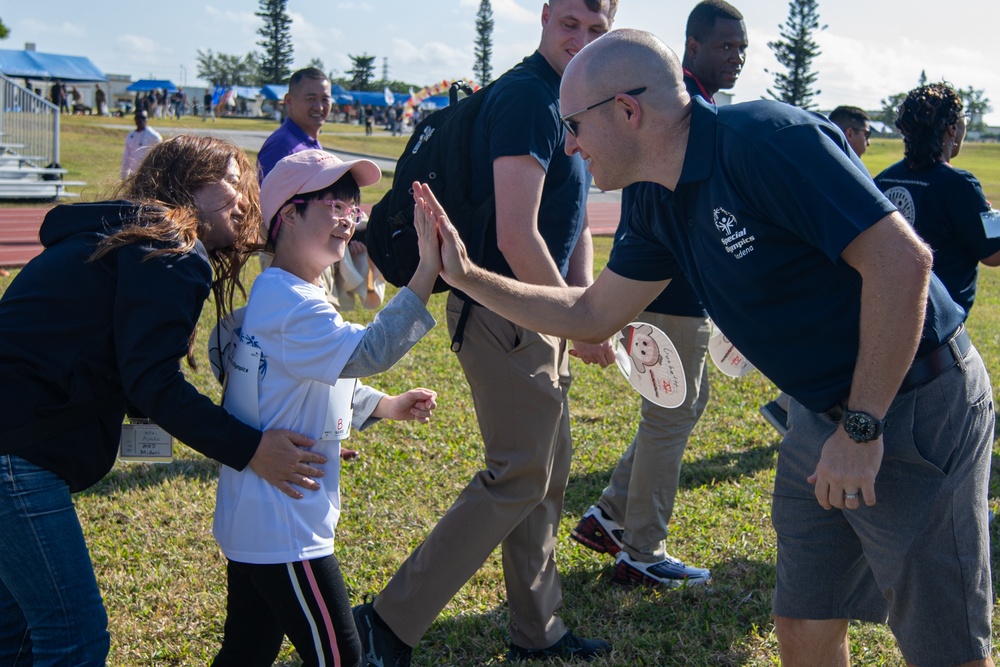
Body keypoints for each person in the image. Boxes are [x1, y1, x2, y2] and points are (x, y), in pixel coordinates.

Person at [426, 28, 994, 667]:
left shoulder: (767, 141)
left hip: (913, 402)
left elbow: (902, 262)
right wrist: (466, 275)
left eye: (574, 124)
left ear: (629, 111)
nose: (569, 144)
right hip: (819, 417)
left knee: (943, 643)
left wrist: (862, 429)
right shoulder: (651, 196)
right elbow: (589, 315)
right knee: (803, 619)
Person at [352, 2, 617, 665]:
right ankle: (385, 621)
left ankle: (538, 629)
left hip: (539, 309)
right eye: (571, 24)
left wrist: (579, 302)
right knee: (519, 473)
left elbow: (571, 219)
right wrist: (575, 315)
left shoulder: (568, 99)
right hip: (503, 310)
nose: (581, 41)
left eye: (597, 30)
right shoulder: (529, 98)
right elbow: (514, 234)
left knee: (546, 472)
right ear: (546, 14)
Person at [0, 135, 329, 666]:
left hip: (12, 444)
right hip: (15, 458)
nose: (243, 200)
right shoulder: (170, 246)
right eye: (228, 181)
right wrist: (252, 449)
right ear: (186, 181)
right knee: (74, 635)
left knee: (16, 634)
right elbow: (153, 382)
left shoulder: (120, 235)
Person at [210, 150, 440, 667]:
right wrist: (428, 271)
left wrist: (386, 406)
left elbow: (315, 379)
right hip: (287, 527)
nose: (348, 218)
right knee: (342, 657)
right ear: (287, 214)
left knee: (246, 650)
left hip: (254, 520)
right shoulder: (296, 305)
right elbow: (368, 352)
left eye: (353, 206)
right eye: (333, 203)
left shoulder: (282, 294)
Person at [570, 0, 745, 589]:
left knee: (676, 409)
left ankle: (610, 515)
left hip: (671, 292)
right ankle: (642, 550)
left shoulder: (694, 106)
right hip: (669, 293)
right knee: (670, 416)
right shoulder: (676, 110)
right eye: (726, 46)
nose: (737, 58)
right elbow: (654, 207)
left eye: (742, 47)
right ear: (692, 47)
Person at [875, 82, 1000, 319]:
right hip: (937, 325)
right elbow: (993, 253)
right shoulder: (958, 184)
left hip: (886, 313)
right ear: (952, 128)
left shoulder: (884, 179)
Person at [257, 68, 333, 179]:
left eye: (325, 99)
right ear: (289, 101)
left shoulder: (309, 142)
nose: (319, 107)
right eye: (311, 98)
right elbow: (264, 194)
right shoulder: (281, 146)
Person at [120, 108, 163, 179]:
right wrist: (124, 175)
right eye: (138, 118)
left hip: (147, 174)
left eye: (143, 118)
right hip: (133, 174)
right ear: (135, 119)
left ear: (147, 119)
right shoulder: (130, 136)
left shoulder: (154, 136)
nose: (140, 120)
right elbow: (126, 156)